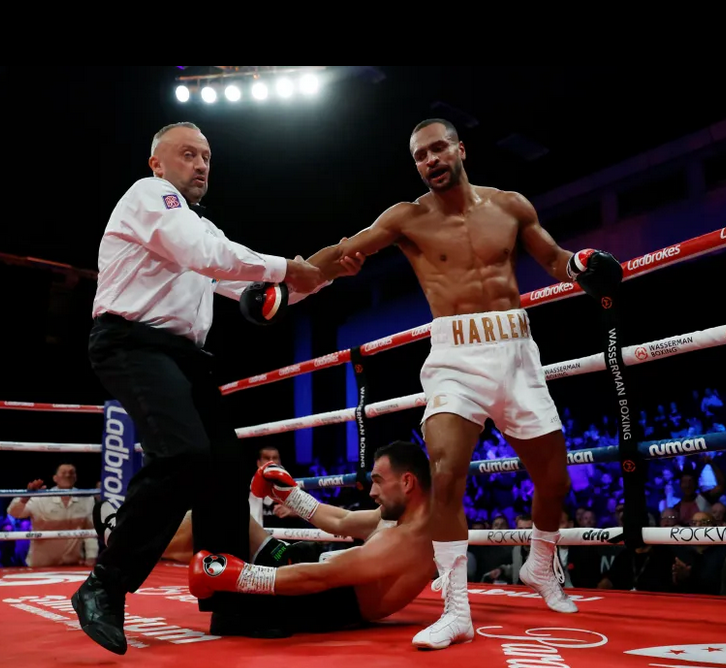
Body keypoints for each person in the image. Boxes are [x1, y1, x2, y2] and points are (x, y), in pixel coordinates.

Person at [295, 118, 623, 649]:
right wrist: (290, 281)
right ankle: (456, 608)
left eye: (438, 148)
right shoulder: (407, 218)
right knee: (445, 472)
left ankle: (540, 566)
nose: (430, 160)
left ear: (460, 148)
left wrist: (582, 267)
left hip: (516, 352)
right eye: (420, 156)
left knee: (556, 480)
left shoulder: (511, 206)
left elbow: (555, 260)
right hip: (454, 357)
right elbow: (344, 251)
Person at [71, 121, 363, 655]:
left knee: (227, 472)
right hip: (131, 342)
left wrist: (323, 273)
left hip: (182, 356)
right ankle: (104, 586)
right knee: (183, 456)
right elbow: (210, 256)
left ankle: (232, 601)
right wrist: (288, 268)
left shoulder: (200, 230)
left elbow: (250, 286)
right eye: (187, 154)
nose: (201, 164)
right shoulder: (149, 196)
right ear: (157, 163)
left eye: (206, 156)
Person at [188, 440, 436, 634]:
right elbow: (341, 521)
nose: (372, 492)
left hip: (318, 602)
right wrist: (290, 494)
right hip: (304, 565)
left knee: (225, 615)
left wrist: (240, 576)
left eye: (378, 482)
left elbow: (321, 577)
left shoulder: (406, 542)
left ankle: (217, 587)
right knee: (228, 506)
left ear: (407, 482)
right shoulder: (394, 515)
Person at [7, 464, 97, 568]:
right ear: (55, 478)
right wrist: (24, 498)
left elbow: (90, 531)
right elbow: (13, 513)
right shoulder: (41, 498)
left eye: (71, 472)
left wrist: (91, 557)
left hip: (73, 564)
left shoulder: (87, 499)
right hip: (40, 565)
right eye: (63, 473)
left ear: (76, 477)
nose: (67, 475)